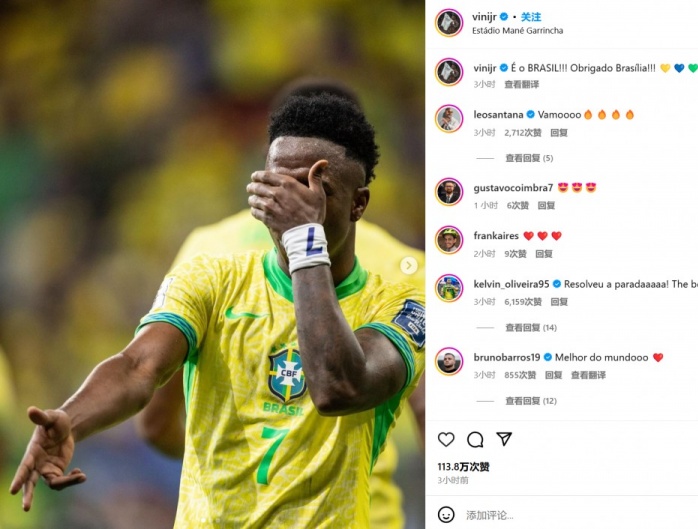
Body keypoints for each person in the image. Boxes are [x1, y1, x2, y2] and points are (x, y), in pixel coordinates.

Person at [10, 94, 425, 528]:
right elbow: (137, 366)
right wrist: (72, 419)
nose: (290, 206)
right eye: (279, 187)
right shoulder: (211, 279)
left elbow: (338, 388)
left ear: (359, 203)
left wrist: (305, 242)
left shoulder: (401, 306)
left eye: (314, 192)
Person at [134, 80, 426, 529]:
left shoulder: (210, 248)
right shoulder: (407, 267)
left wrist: (232, 462)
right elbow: (432, 414)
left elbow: (156, 420)